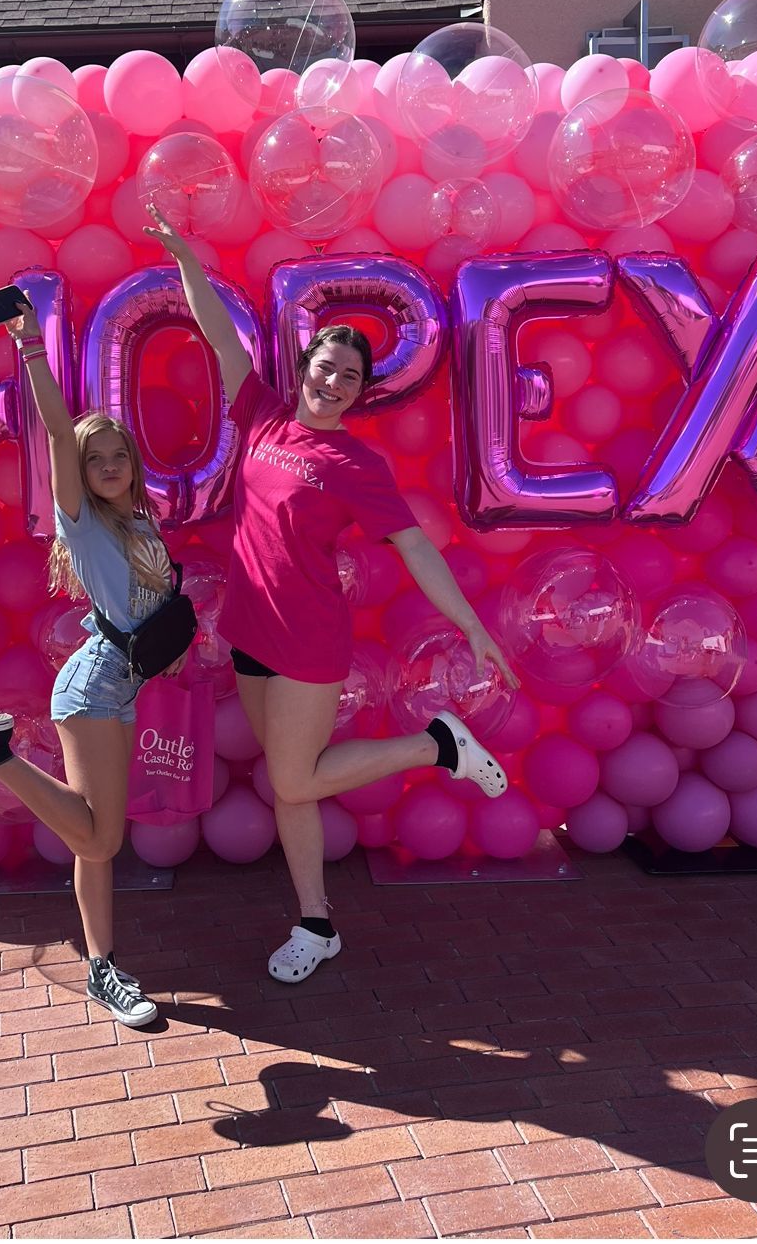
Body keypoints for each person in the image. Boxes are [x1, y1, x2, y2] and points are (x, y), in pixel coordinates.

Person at [145, 206, 519, 985]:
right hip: (247, 628)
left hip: (310, 640)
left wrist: (472, 627)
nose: (335, 380)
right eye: (327, 366)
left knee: (292, 779)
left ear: (359, 391)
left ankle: (437, 746)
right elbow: (218, 337)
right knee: (295, 788)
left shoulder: (358, 467)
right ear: (306, 365)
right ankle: (316, 923)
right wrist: (185, 256)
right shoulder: (265, 416)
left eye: (351, 376)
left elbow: (416, 548)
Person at [0, 298, 185, 1028]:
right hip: (92, 687)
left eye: (119, 454)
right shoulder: (83, 520)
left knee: (95, 842)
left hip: (120, 687)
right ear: (81, 476)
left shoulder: (138, 519)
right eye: (97, 461)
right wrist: (30, 342)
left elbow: (143, 607)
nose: (110, 466)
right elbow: (60, 431)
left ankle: (102, 967)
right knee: (103, 837)